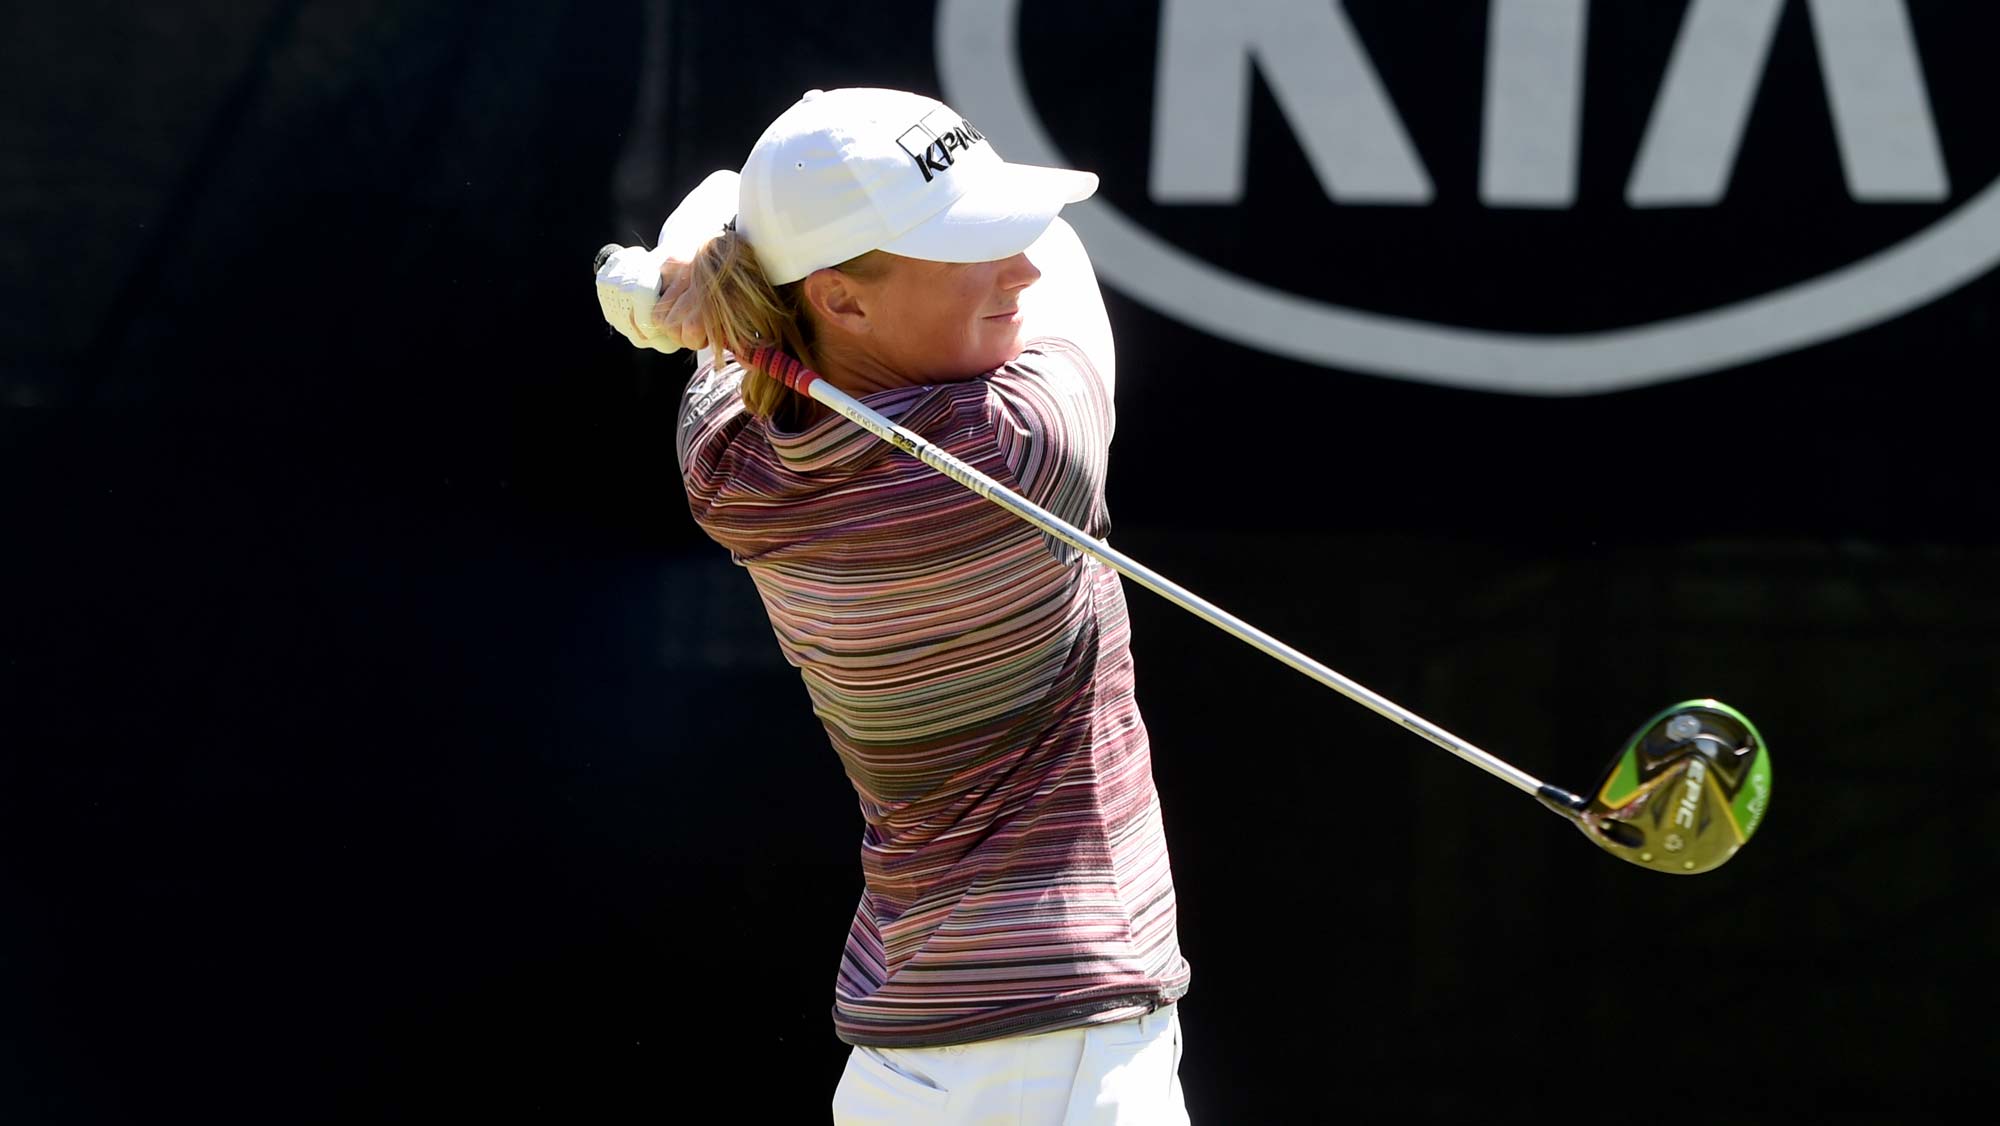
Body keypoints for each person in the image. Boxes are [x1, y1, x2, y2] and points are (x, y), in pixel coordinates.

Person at [595, 87, 1191, 1124]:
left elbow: (729, 233)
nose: (1022, 268)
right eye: (970, 246)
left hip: (906, 1057)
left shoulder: (728, 458)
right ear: (840, 298)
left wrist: (678, 293)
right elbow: (1066, 249)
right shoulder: (1025, 449)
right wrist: (686, 287)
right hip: (1062, 1050)